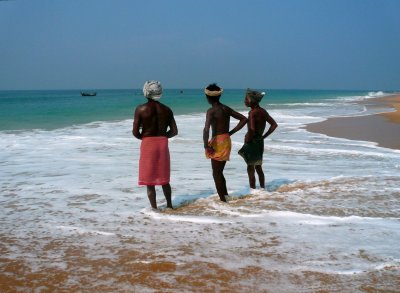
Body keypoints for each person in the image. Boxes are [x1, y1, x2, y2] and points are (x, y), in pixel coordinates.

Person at [132, 81, 178, 209]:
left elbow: (135, 132)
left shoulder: (140, 109)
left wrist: (145, 137)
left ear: (146, 92)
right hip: (162, 143)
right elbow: (174, 131)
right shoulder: (167, 110)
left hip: (148, 144)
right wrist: (163, 137)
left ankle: (154, 209)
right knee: (164, 178)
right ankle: (169, 206)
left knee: (149, 180)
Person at [203, 83, 248, 202]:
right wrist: (230, 132)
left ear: (208, 97)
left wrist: (206, 146)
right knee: (219, 172)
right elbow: (244, 119)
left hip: (218, 142)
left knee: (216, 173)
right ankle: (225, 196)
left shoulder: (211, 111)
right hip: (226, 140)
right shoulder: (225, 108)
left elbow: (206, 129)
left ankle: (223, 201)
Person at [239, 88, 278, 191]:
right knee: (259, 167)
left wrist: (247, 138)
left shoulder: (252, 113)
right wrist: (264, 136)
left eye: (246, 99)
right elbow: (274, 125)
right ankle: (262, 189)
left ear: (252, 101)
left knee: (250, 168)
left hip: (252, 142)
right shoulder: (263, 111)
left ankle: (252, 190)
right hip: (260, 141)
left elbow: (251, 129)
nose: (244, 101)